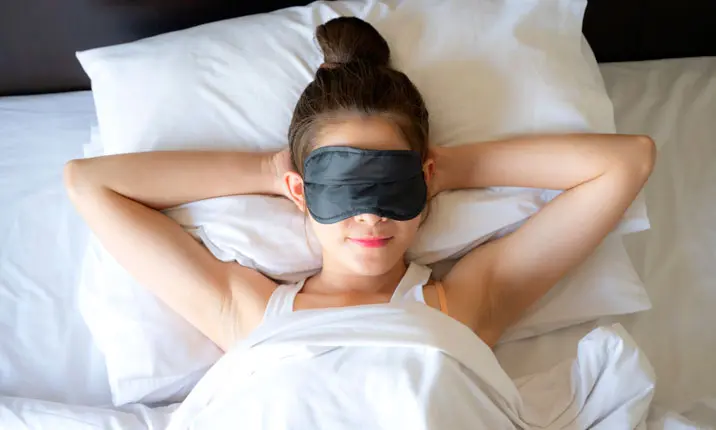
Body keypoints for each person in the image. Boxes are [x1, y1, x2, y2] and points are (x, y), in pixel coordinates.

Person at [64, 16, 654, 413]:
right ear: (301, 193)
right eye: (344, 188)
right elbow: (90, 183)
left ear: (424, 182)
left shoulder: (465, 304)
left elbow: (627, 161)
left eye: (391, 184)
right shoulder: (246, 310)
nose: (370, 216)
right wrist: (266, 171)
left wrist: (448, 168)